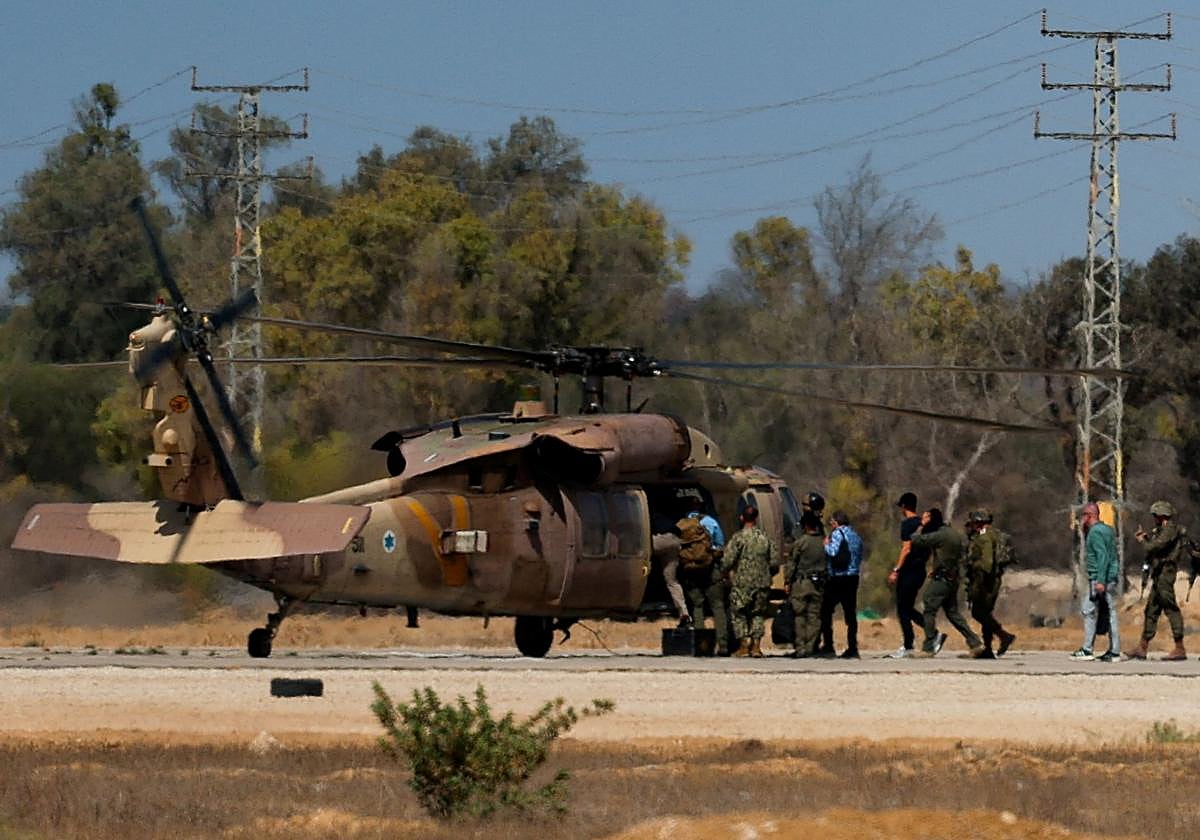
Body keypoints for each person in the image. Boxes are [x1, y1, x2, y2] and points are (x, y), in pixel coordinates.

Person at [911, 508, 985, 658]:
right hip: (952, 579)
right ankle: (975, 643)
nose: (924, 520)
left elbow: (916, 540)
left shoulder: (940, 535)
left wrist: (920, 526)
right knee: (953, 613)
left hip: (942, 579)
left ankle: (929, 646)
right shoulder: (953, 534)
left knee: (929, 607)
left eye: (926, 517)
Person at [1126, 500, 1187, 661]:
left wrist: (1143, 541)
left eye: (1155, 515)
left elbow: (1154, 547)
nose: (1154, 518)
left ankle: (1179, 647)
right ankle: (1142, 647)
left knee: (1171, 609)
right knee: (1151, 610)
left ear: (1162, 515)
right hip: (1159, 575)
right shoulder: (1162, 530)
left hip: (1165, 575)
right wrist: (1146, 537)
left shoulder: (1170, 530)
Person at [720, 504, 778, 658]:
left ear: (742, 518)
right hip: (762, 582)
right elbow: (775, 563)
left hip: (742, 582)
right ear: (756, 519)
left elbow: (727, 560)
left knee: (739, 613)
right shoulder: (765, 538)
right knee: (758, 613)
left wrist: (724, 573)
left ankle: (744, 645)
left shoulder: (738, 538)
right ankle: (756, 646)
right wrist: (767, 574)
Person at [678, 496, 730, 655]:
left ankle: (701, 645)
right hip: (711, 570)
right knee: (718, 607)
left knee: (697, 607)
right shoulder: (711, 522)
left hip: (691, 571)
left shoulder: (681, 524)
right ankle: (723, 645)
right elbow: (720, 544)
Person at [964, 509, 1016, 659]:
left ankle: (1004, 636)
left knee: (979, 613)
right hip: (993, 579)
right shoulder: (996, 534)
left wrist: (974, 565)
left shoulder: (985, 537)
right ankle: (988, 648)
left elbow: (987, 563)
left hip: (985, 581)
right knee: (985, 613)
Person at [1072, 502, 1120, 662]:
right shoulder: (1107, 530)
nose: (1081, 520)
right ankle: (1113, 650)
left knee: (1089, 610)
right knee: (1108, 612)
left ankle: (1088, 649)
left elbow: (1102, 556)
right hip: (1109, 576)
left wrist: (1100, 580)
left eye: (1083, 516)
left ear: (1089, 516)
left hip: (1101, 579)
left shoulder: (1095, 533)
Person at [887, 492, 927, 659]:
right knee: (908, 607)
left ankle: (909, 645)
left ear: (904, 506)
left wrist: (896, 569)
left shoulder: (907, 524)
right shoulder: (922, 524)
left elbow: (906, 548)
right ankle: (932, 632)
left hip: (908, 570)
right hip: (920, 570)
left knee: (902, 609)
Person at [821, 510, 865, 658]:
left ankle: (828, 645)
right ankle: (852, 647)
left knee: (826, 610)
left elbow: (833, 552)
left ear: (836, 522)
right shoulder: (855, 535)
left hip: (838, 577)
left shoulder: (837, 534)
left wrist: (826, 545)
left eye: (831, 522)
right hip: (853, 577)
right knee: (850, 613)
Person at [783, 511, 827, 658]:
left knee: (800, 615)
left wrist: (787, 581)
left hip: (801, 584)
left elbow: (791, 564)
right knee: (814, 616)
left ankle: (801, 647)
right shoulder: (823, 542)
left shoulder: (800, 543)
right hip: (818, 584)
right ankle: (810, 646)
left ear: (806, 526)